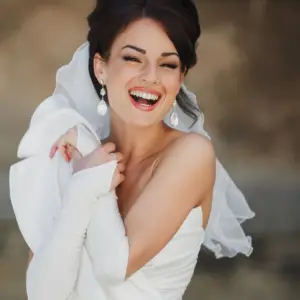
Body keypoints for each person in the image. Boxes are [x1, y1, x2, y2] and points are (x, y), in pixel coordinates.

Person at [9, 1, 255, 300]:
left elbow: (113, 267)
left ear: (181, 78)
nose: (151, 77)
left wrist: (88, 183)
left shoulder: (192, 154)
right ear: (101, 67)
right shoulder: (78, 156)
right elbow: (43, 294)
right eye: (133, 58)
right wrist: (83, 179)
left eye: (168, 64)